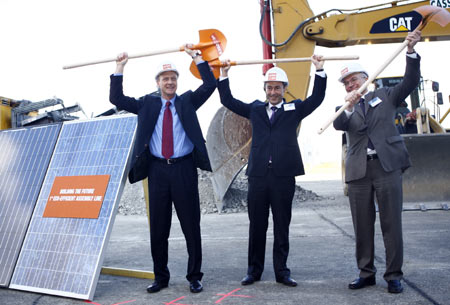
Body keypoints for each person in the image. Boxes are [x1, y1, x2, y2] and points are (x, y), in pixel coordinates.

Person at [109, 44, 216, 294]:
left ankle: (194, 276)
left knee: (191, 226)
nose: (170, 82)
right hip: (157, 172)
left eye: (173, 78)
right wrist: (119, 67)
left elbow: (210, 86)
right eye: (165, 78)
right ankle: (161, 277)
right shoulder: (147, 104)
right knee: (158, 228)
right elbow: (116, 99)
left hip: (184, 170)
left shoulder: (188, 101)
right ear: (158, 82)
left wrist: (197, 58)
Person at [218, 56, 327, 286]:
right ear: (265, 89)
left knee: (281, 225)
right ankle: (254, 271)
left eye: (277, 87)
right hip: (258, 176)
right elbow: (227, 100)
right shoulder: (255, 109)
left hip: (283, 176)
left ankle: (282, 272)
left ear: (285, 89)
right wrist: (224, 74)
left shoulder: (294, 109)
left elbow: (317, 98)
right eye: (269, 87)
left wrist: (319, 70)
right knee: (257, 225)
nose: (273, 91)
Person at [333, 29, 422, 294]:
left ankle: (393, 274)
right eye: (346, 83)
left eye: (353, 80)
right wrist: (348, 106)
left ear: (366, 79)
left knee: (391, 223)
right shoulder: (344, 108)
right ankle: (366, 272)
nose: (350, 85)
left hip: (387, 167)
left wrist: (410, 52)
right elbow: (340, 125)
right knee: (362, 225)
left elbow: (410, 81)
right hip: (359, 171)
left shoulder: (386, 96)